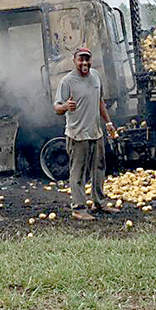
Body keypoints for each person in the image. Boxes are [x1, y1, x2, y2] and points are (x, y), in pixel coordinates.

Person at [53, 47, 119, 221]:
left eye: (87, 59)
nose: (84, 63)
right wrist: (66, 107)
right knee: (78, 173)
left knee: (99, 169)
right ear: (74, 61)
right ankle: (79, 208)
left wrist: (109, 123)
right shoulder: (67, 82)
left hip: (95, 133)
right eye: (81, 59)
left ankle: (99, 202)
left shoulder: (96, 76)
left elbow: (100, 101)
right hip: (77, 135)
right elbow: (57, 107)